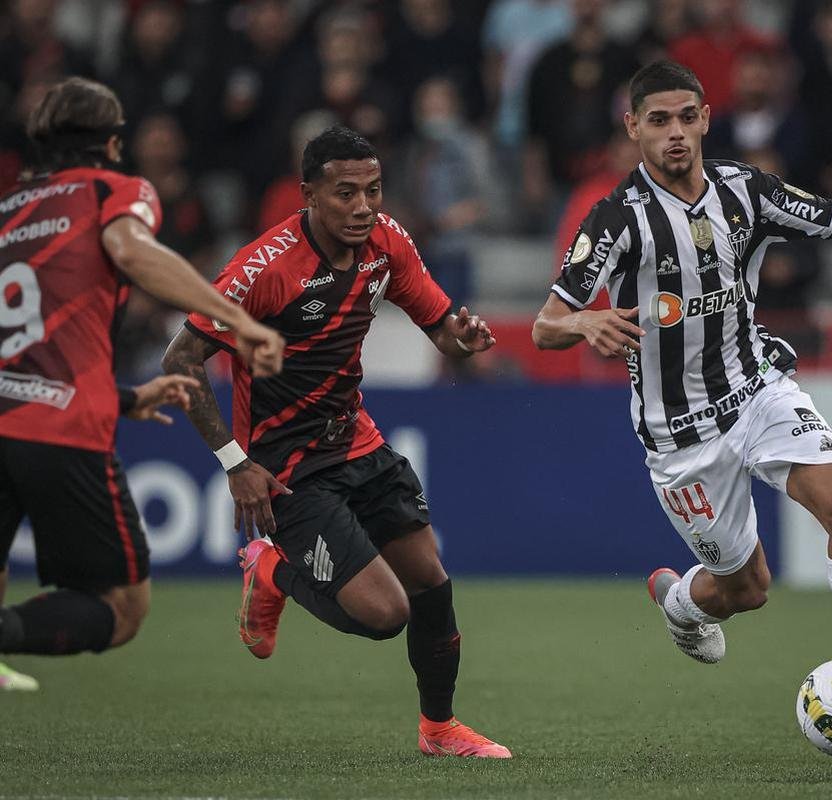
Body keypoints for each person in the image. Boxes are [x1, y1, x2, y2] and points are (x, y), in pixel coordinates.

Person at [531, 61, 832, 743]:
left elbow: (823, 212)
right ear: (633, 129)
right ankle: (683, 605)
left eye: (687, 117)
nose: (676, 133)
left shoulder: (744, 189)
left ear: (707, 118)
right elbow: (544, 323)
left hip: (757, 390)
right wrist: (582, 322)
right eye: (659, 121)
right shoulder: (618, 219)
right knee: (747, 589)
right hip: (680, 434)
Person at [161, 125, 510, 759]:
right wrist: (234, 463)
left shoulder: (388, 241)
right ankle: (269, 568)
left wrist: (464, 339)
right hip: (286, 465)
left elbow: (440, 326)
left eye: (372, 190)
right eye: (344, 193)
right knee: (385, 615)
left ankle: (439, 730)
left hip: (357, 439)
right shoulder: (262, 268)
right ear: (309, 196)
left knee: (430, 580)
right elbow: (181, 360)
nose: (362, 206)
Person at [0, 78, 284, 688]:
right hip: (60, 429)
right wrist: (235, 318)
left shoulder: (9, 211)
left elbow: (22, 342)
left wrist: (125, 397)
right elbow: (131, 251)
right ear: (111, 141)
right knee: (123, 607)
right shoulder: (114, 190)